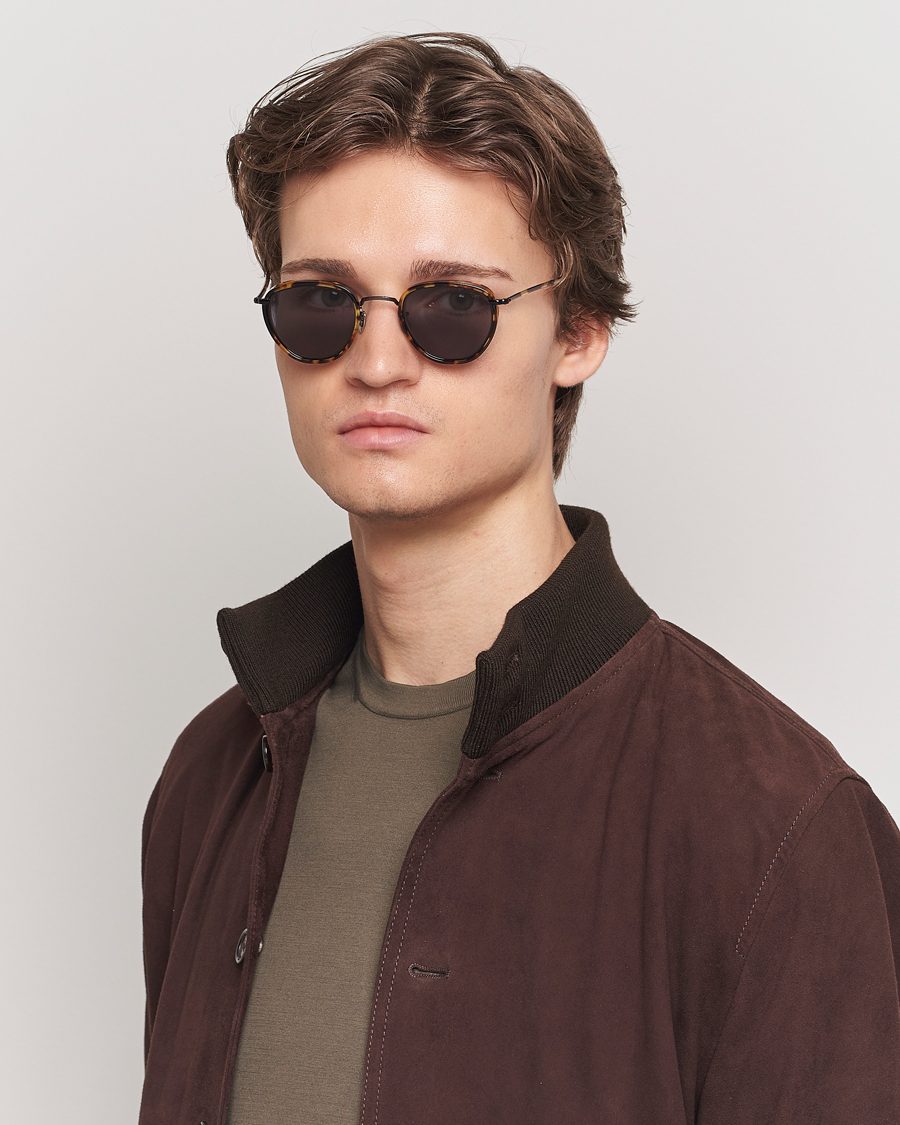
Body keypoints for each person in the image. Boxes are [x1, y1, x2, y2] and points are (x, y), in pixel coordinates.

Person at [139, 32, 900, 1125]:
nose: (377, 360)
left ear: (578, 331)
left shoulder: (776, 819)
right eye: (321, 302)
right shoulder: (213, 777)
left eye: (453, 304)